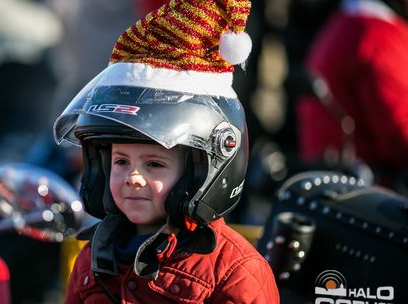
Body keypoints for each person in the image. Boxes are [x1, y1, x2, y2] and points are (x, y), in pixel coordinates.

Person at [54, 0, 280, 302]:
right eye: (121, 161)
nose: (133, 177)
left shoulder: (233, 272)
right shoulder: (91, 258)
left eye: (155, 165)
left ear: (201, 172)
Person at [296, 0, 408, 186]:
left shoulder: (346, 23)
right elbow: (399, 137)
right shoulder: (376, 34)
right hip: (365, 190)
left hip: (331, 183)